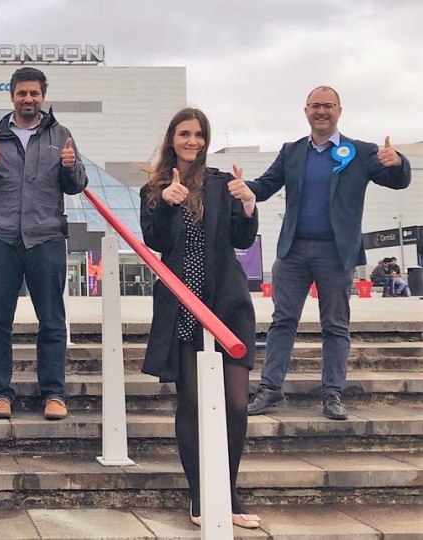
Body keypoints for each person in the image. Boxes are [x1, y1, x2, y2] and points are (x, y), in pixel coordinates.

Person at [247, 86, 412, 420]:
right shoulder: (291, 151)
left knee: (335, 325)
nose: (321, 111)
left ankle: (333, 394)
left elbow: (397, 182)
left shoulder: (360, 152)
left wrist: (399, 163)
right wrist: (239, 188)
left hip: (335, 253)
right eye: (315, 106)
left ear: (339, 110)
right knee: (282, 322)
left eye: (328, 106)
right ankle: (269, 389)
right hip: (293, 251)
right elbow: (264, 188)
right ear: (305, 111)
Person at [140, 108, 261, 529]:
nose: (192, 141)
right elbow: (154, 241)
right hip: (182, 304)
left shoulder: (221, 184)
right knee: (191, 403)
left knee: (236, 404)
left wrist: (248, 205)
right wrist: (168, 206)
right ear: (172, 138)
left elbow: (243, 240)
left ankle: (228, 492)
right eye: (185, 134)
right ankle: (199, 495)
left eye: (199, 135)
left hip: (226, 302)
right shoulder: (154, 188)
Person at [0, 67, 87, 421]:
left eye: (34, 93)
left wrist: (69, 167)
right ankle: (0, 393)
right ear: (12, 96)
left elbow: (77, 183)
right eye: (22, 93)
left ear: (43, 96)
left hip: (46, 238)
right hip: (1, 238)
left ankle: (53, 393)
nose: (28, 99)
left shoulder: (60, 134)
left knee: (52, 321)